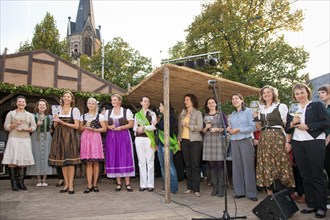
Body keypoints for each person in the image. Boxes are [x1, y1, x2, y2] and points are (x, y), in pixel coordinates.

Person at [286, 83, 329, 218]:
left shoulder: (316, 105)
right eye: (297, 93)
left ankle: (321, 206)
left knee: (317, 174)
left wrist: (308, 126)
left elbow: (326, 123)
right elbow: (287, 129)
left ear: (307, 92)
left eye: (302, 92)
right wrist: (292, 123)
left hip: (315, 142)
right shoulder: (293, 108)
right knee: (305, 175)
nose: (299, 95)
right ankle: (311, 204)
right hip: (298, 143)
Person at [255, 85, 295, 195]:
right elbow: (259, 128)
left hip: (277, 138)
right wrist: (255, 118)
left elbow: (286, 126)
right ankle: (270, 194)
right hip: (264, 139)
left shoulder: (281, 106)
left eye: (268, 92)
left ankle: (286, 194)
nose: (266, 94)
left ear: (273, 93)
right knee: (266, 164)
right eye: (264, 93)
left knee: (281, 163)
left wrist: (288, 141)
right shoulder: (260, 109)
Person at [48, 91, 81, 195]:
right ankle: (66, 184)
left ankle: (71, 185)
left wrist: (64, 123)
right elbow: (54, 126)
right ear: (62, 98)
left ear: (71, 99)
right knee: (62, 162)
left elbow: (76, 126)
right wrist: (55, 122)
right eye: (65, 96)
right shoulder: (57, 109)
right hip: (59, 137)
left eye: (68, 97)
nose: (66, 98)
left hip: (70, 137)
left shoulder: (74, 110)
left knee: (70, 162)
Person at [227, 93, 258, 201]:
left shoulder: (249, 111)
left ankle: (251, 193)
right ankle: (239, 192)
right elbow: (231, 127)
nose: (234, 100)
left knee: (248, 167)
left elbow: (253, 127)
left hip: (246, 140)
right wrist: (229, 129)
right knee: (236, 167)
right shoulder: (233, 114)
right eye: (232, 99)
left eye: (236, 98)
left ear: (241, 100)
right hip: (234, 141)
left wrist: (239, 130)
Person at [2, 96, 36, 191]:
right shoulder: (11, 114)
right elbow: (6, 127)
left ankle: (21, 182)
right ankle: (14, 183)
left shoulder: (30, 115)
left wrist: (25, 129)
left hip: (25, 138)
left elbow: (33, 127)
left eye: (23, 102)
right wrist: (15, 125)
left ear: (25, 103)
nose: (21, 103)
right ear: (16, 103)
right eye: (19, 102)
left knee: (23, 160)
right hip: (13, 138)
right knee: (13, 160)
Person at [104, 94, 135, 192]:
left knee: (125, 157)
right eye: (112, 100)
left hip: (124, 136)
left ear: (120, 101)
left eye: (115, 100)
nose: (113, 101)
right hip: (112, 137)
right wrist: (110, 127)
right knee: (115, 157)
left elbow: (131, 124)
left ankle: (127, 183)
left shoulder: (126, 111)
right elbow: (104, 125)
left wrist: (121, 127)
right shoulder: (108, 112)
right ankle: (118, 183)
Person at [178, 93, 203, 197]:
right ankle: (189, 187)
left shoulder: (198, 113)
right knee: (187, 165)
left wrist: (188, 125)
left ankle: (196, 189)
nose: (185, 101)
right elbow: (180, 128)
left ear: (192, 101)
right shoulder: (182, 113)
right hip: (184, 141)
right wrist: (179, 139)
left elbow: (200, 127)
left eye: (187, 100)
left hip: (195, 141)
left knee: (195, 165)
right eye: (185, 100)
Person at [79, 98, 107, 193]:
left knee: (96, 162)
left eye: (93, 103)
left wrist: (94, 130)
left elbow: (104, 129)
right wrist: (86, 125)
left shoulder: (100, 116)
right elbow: (79, 129)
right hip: (86, 139)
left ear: (95, 105)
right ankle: (89, 185)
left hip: (95, 139)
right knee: (88, 163)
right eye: (89, 103)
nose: (91, 105)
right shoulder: (83, 116)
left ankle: (95, 184)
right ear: (87, 105)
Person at [202, 97, 228, 197]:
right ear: (207, 105)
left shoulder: (221, 114)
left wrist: (217, 129)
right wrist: (206, 127)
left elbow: (226, 128)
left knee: (220, 165)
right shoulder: (205, 116)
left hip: (218, 141)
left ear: (216, 104)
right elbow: (203, 131)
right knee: (211, 166)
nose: (211, 104)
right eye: (209, 103)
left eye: (213, 102)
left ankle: (221, 188)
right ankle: (215, 188)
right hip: (208, 141)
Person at [27, 99, 54, 187]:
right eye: (40, 105)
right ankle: (38, 179)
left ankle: (45, 179)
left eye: (44, 105)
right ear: (37, 106)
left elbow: (52, 128)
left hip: (47, 137)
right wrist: (36, 125)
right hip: (35, 137)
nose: (42, 106)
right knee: (36, 156)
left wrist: (48, 132)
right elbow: (29, 127)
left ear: (46, 107)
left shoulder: (50, 117)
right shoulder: (32, 116)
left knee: (46, 156)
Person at [133, 96, 157, 192]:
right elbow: (134, 128)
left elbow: (154, 127)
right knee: (141, 162)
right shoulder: (137, 115)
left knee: (150, 161)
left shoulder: (152, 113)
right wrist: (137, 129)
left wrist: (144, 128)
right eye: (145, 101)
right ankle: (143, 184)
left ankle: (150, 184)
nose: (147, 103)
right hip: (139, 139)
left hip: (149, 139)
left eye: (148, 101)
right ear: (141, 103)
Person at [155, 102, 179, 194]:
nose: (159, 107)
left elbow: (167, 129)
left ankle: (173, 188)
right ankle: (166, 186)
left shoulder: (171, 117)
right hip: (160, 144)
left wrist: (156, 124)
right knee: (162, 166)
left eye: (160, 105)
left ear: (165, 107)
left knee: (170, 166)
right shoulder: (162, 117)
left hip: (167, 144)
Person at [318, 85, 330, 196]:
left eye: (322, 92)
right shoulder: (324, 107)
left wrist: (328, 138)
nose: (320, 95)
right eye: (319, 93)